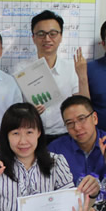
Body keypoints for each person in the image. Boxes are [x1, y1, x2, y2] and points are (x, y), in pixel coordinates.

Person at [20, 10, 86, 140]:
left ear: (60, 36)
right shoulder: (20, 70)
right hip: (32, 135)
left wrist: (82, 76)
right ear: (33, 37)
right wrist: (28, 111)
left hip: (65, 135)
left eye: (53, 34)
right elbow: (15, 107)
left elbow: (83, 106)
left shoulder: (71, 68)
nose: (47, 39)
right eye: (41, 34)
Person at [48, 95, 106, 198]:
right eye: (69, 123)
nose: (77, 127)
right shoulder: (55, 150)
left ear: (94, 118)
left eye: (81, 119)